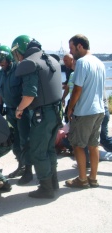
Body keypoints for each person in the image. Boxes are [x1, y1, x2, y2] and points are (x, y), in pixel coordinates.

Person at [11, 35, 62, 198]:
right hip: (56, 111)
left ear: (19, 50)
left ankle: (46, 188)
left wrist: (19, 109)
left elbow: (29, 95)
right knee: (49, 149)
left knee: (38, 151)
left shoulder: (29, 63)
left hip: (43, 114)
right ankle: (53, 182)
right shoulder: (50, 59)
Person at [65, 34, 105, 189]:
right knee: (93, 145)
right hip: (99, 110)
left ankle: (82, 179)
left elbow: (77, 88)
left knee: (78, 145)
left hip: (84, 111)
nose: (71, 51)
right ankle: (93, 178)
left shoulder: (82, 62)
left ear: (79, 46)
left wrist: (70, 108)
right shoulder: (99, 63)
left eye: (71, 48)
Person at [0, 45, 32, 185]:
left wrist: (22, 108)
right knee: (15, 141)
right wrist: (1, 106)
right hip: (9, 111)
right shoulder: (1, 73)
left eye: (1, 59)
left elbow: (26, 91)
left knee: (25, 141)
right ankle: (21, 166)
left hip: (22, 111)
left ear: (8, 57)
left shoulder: (19, 70)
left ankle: (28, 171)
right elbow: (1, 91)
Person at [61, 54, 74, 123]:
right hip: (71, 96)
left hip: (75, 97)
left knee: (68, 113)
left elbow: (68, 86)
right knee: (66, 114)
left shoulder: (74, 71)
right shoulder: (67, 69)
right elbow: (67, 82)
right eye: (64, 61)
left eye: (66, 60)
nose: (64, 62)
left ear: (72, 60)